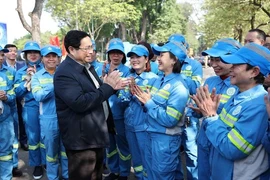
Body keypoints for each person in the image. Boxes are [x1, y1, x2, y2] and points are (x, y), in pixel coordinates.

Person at [54, 30, 129, 180]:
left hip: (95, 135)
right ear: (71, 50)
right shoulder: (65, 73)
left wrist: (112, 88)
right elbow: (80, 102)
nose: (91, 52)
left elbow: (98, 94)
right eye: (86, 48)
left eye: (92, 47)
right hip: (82, 142)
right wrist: (108, 87)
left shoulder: (86, 67)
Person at [191, 43, 270, 179]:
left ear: (254, 72)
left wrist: (211, 116)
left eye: (236, 65)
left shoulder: (259, 105)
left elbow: (232, 149)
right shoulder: (238, 95)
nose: (231, 69)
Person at [133, 41, 189, 179]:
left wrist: (149, 102)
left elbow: (170, 120)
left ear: (174, 59)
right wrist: (142, 100)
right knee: (153, 174)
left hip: (165, 141)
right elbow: (150, 104)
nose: (157, 58)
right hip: (152, 136)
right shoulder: (160, 80)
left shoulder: (179, 87)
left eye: (162, 55)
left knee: (162, 176)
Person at [196, 38, 242, 179]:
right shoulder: (210, 81)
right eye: (212, 59)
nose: (213, 64)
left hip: (223, 145)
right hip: (204, 141)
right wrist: (198, 110)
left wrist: (211, 112)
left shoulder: (240, 85)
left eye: (219, 60)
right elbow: (201, 112)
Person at [168, 33, 203, 180]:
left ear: (185, 48)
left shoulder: (194, 65)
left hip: (189, 115)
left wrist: (176, 74)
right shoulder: (165, 65)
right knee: (173, 150)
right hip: (171, 115)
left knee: (190, 150)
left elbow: (195, 88)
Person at [121, 43, 158, 179]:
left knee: (147, 160)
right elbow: (121, 100)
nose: (134, 60)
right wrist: (128, 93)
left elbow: (154, 105)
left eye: (138, 57)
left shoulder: (154, 79)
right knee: (136, 161)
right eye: (132, 57)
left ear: (146, 59)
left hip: (145, 127)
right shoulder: (128, 78)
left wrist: (142, 98)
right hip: (129, 126)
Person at [31, 45, 68, 180]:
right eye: (48, 56)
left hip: (66, 118)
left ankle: (66, 175)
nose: (51, 59)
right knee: (51, 153)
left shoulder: (66, 73)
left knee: (66, 151)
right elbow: (38, 96)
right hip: (48, 119)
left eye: (54, 56)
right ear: (42, 59)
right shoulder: (37, 77)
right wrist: (54, 84)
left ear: (58, 59)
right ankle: (53, 177)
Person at [14, 41, 46, 179]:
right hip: (30, 107)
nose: (32, 55)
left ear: (40, 55)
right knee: (33, 138)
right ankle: (37, 164)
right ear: (25, 55)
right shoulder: (20, 72)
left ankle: (47, 162)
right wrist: (27, 79)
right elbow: (17, 93)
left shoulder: (46, 69)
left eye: (35, 52)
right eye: (29, 53)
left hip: (46, 106)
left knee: (47, 136)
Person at [104, 38, 131, 180]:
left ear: (123, 55)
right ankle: (114, 170)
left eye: (118, 53)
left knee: (122, 145)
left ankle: (124, 172)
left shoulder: (127, 71)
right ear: (108, 54)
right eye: (112, 53)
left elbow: (125, 95)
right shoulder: (102, 69)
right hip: (105, 115)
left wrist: (113, 89)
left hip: (120, 115)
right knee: (110, 145)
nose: (115, 56)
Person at [4, 44, 26, 177]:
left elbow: (16, 90)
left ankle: (13, 166)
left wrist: (7, 96)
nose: (12, 53)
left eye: (14, 51)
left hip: (11, 107)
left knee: (13, 138)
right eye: (8, 51)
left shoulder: (14, 71)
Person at [0, 46, 15, 180]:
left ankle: (6, 177)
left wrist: (6, 97)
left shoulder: (8, 73)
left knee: (5, 152)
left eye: (1, 55)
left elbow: (13, 94)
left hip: (5, 119)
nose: (0, 58)